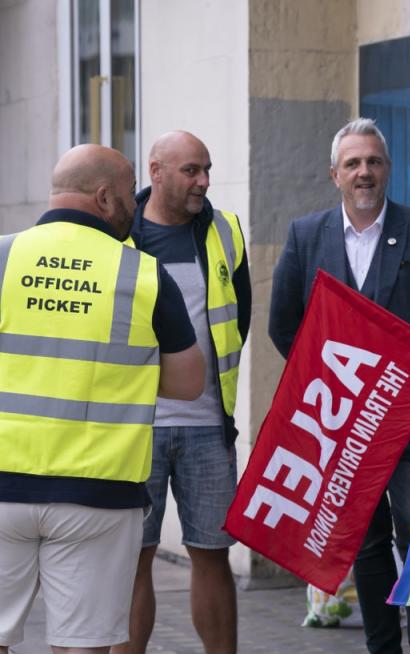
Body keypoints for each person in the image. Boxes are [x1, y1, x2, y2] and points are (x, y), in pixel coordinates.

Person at [269, 118, 410, 654]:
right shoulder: (305, 234)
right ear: (334, 174)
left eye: (374, 162)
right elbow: (284, 324)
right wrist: (329, 388)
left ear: (388, 169)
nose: (364, 172)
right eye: (354, 163)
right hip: (343, 426)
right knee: (363, 545)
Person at [0, 144, 203, 653]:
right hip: (99, 494)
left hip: (3, 485)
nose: (136, 205)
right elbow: (187, 384)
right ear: (105, 197)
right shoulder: (145, 274)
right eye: (129, 192)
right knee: (83, 645)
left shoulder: (3, 257)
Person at [116, 132, 250, 654]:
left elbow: (237, 321)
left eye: (208, 169)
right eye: (192, 170)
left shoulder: (226, 232)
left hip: (207, 429)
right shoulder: (118, 233)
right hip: (134, 428)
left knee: (212, 554)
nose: (205, 182)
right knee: (134, 559)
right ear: (156, 171)